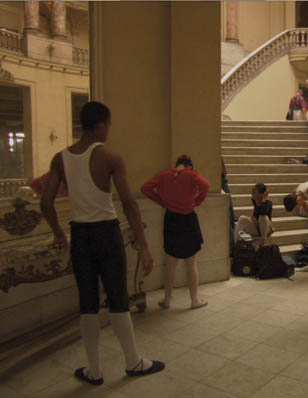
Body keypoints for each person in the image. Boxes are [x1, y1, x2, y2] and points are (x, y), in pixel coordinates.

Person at [40, 101, 164, 386]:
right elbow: (129, 203)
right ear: (100, 125)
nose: (109, 130)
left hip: (80, 235)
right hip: (107, 234)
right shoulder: (110, 157)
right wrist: (144, 246)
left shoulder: (60, 159)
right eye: (108, 125)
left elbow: (45, 202)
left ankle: (94, 371)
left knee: (88, 303)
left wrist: (59, 233)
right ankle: (133, 362)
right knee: (118, 298)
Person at [141, 155, 209, 310]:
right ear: (189, 166)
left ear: (177, 165)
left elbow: (145, 188)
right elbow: (205, 185)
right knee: (191, 262)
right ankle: (194, 299)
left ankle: (167, 299)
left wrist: (162, 201)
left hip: (171, 219)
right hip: (188, 219)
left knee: (171, 262)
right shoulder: (192, 175)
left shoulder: (163, 175)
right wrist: (196, 201)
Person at [234, 183, 273, 247]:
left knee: (263, 217)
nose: (252, 193)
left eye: (254, 192)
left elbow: (263, 214)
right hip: (256, 227)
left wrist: (263, 199)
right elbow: (255, 214)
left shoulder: (268, 204)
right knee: (242, 218)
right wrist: (252, 218)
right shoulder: (254, 201)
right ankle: (236, 243)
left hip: (265, 229)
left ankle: (263, 240)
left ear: (261, 194)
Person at [221, 159, 236, 256]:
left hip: (221, 180)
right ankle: (232, 247)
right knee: (229, 217)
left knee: (229, 217)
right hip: (221, 180)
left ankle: (232, 248)